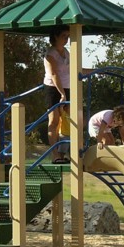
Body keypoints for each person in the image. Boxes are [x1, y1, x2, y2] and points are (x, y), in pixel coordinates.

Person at [43, 25, 71, 162]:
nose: (66, 39)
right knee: (54, 120)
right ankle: (55, 155)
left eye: (68, 36)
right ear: (55, 36)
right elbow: (54, 74)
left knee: (70, 120)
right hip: (53, 89)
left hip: (67, 87)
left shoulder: (66, 52)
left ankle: (64, 153)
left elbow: (75, 69)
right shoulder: (50, 54)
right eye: (64, 36)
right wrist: (62, 94)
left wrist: (97, 70)